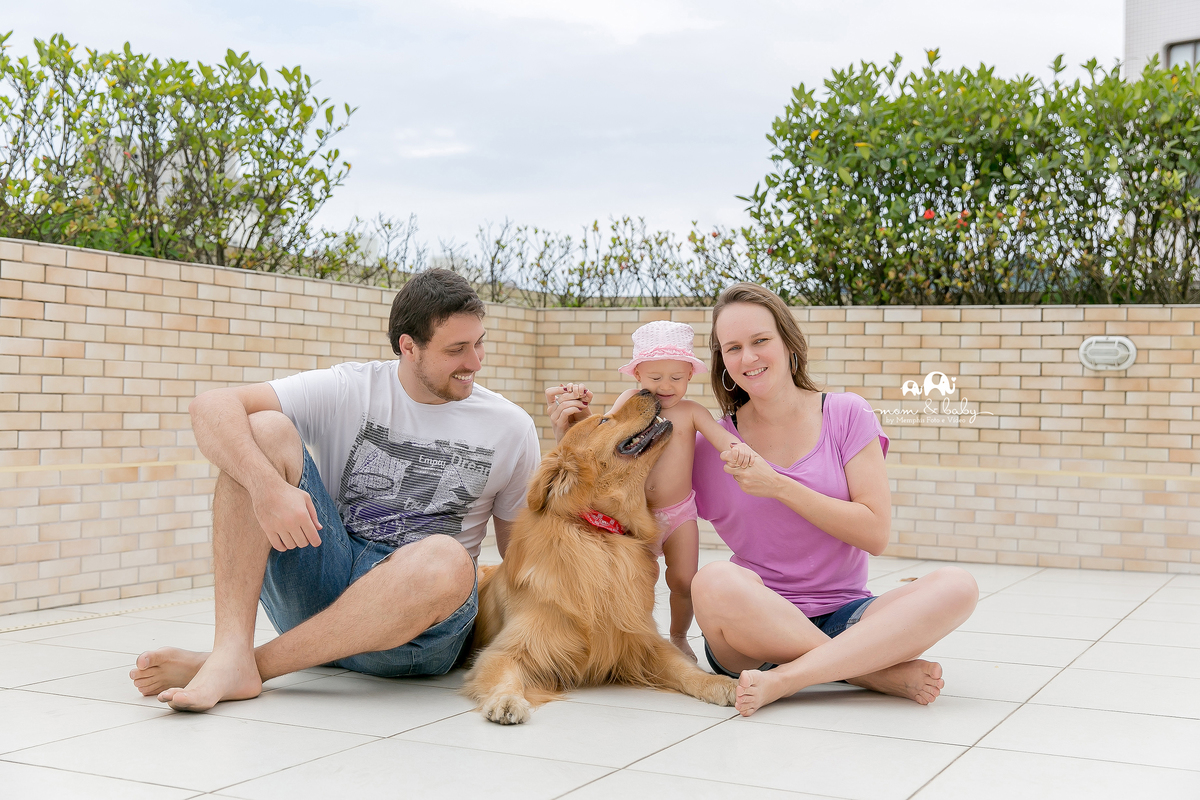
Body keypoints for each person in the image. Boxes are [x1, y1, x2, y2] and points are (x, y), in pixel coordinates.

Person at [547, 284, 979, 718]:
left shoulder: (847, 413)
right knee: (713, 580)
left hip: (849, 615)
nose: (748, 357)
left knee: (957, 586)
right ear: (723, 362)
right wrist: (572, 437)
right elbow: (612, 499)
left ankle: (794, 676)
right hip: (751, 629)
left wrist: (778, 485)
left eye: (760, 340)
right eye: (733, 348)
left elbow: (875, 534)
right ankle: (869, 671)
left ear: (788, 342)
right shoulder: (703, 446)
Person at [129, 269, 540, 711]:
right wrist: (267, 488)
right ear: (408, 346)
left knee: (447, 557)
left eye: (479, 343)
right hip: (324, 588)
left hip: (416, 635)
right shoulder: (351, 388)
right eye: (456, 349)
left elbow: (523, 557)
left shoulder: (511, 427)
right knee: (263, 431)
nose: (475, 362)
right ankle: (230, 651)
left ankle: (243, 666)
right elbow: (209, 406)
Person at [545, 320, 751, 661]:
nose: (665, 386)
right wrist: (581, 408)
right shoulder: (630, 403)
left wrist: (738, 450)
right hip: (636, 514)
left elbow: (722, 439)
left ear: (690, 375)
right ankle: (642, 637)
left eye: (676, 378)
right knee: (641, 578)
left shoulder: (691, 412)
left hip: (679, 513)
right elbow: (605, 434)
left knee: (684, 580)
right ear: (638, 374)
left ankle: (679, 636)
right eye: (655, 378)